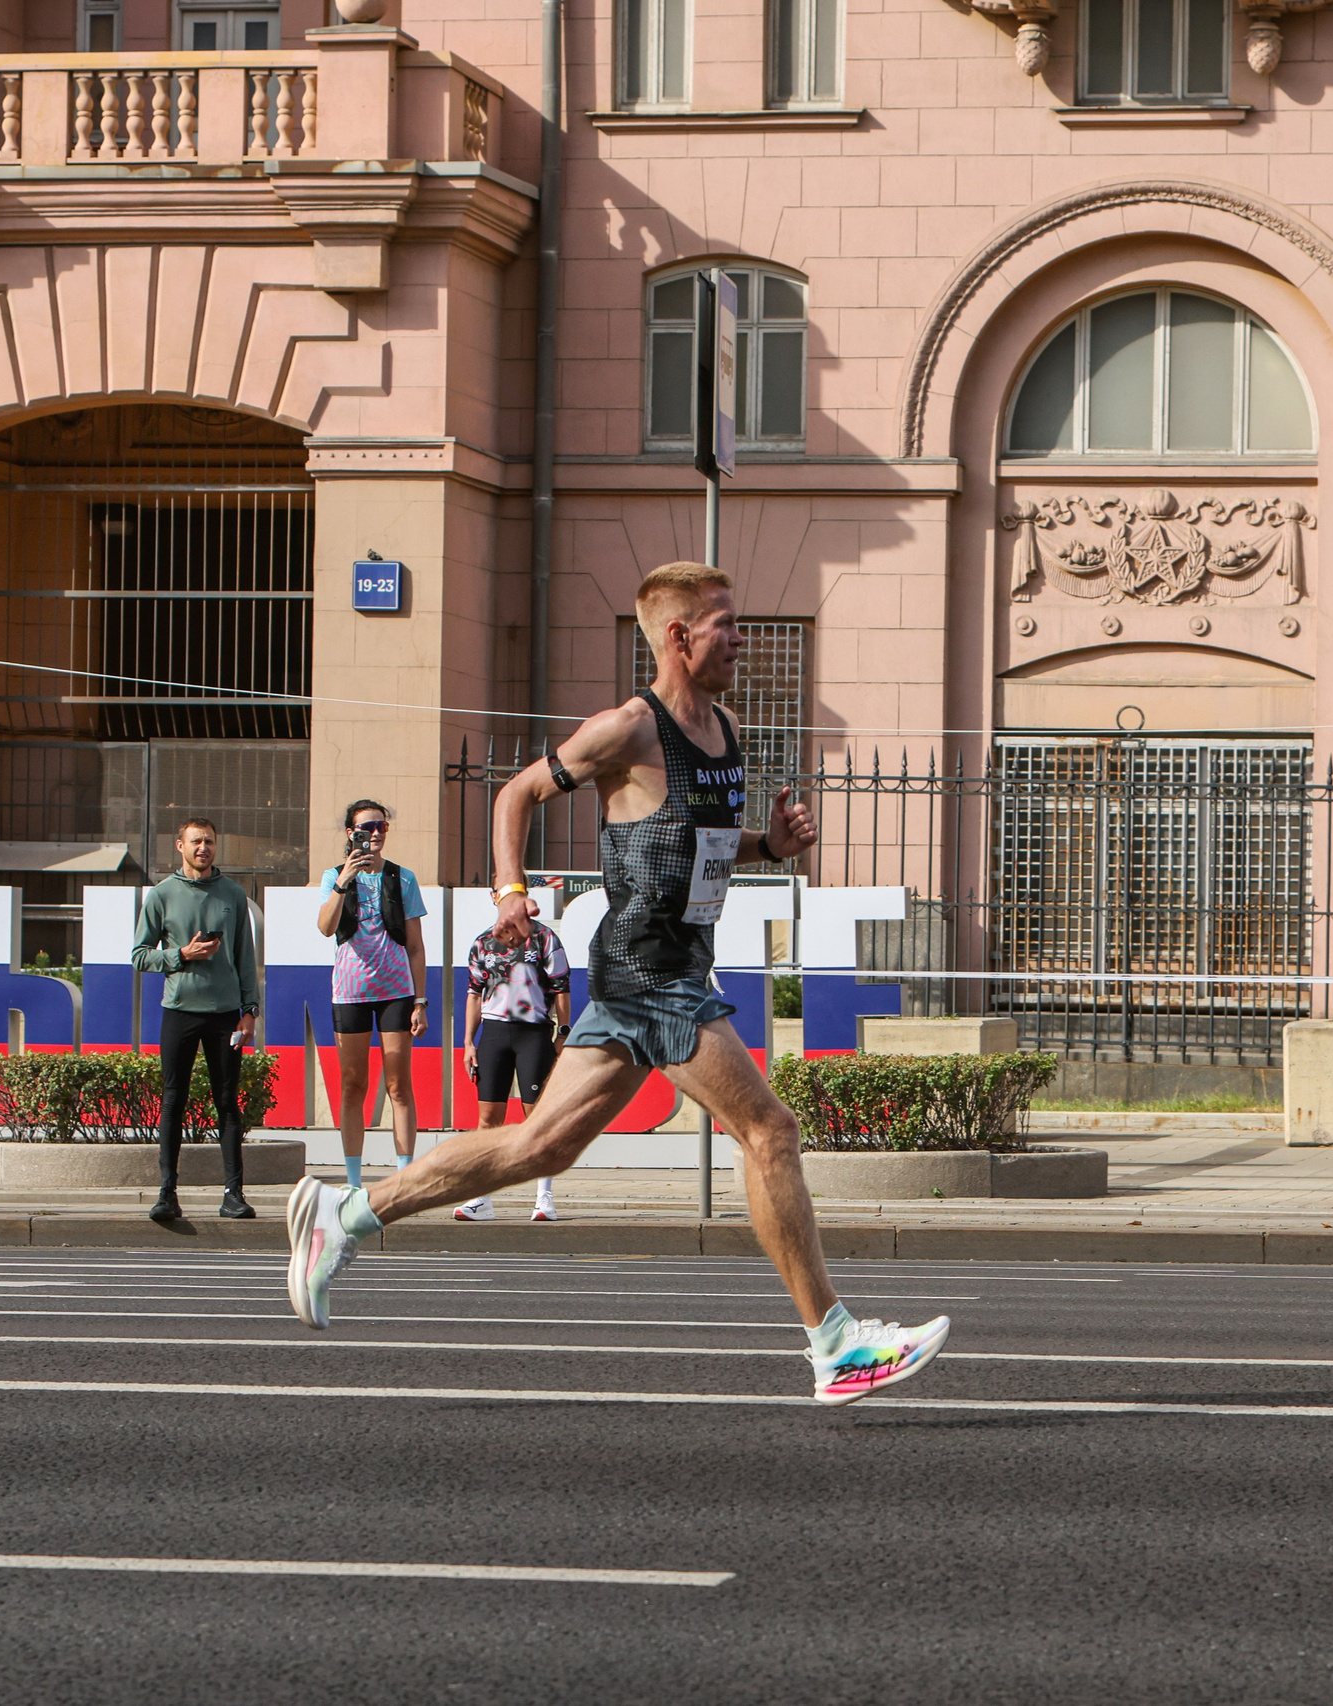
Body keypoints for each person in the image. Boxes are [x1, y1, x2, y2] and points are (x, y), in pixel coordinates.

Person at [287, 563, 951, 1405]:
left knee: (542, 1147)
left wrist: (770, 848)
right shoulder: (628, 729)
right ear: (678, 637)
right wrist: (510, 889)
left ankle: (342, 1219)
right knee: (770, 1130)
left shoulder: (727, 731)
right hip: (654, 975)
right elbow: (517, 794)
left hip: (652, 971)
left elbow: (702, 846)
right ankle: (836, 1343)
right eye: (725, 624)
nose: (742, 639)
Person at [130, 817, 261, 1222]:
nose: (203, 847)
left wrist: (250, 1012)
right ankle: (167, 1193)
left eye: (209, 841)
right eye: (196, 841)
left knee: (227, 1103)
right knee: (173, 1100)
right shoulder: (162, 894)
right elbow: (139, 956)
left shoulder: (233, 895)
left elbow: (245, 956)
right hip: (179, 1011)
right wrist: (180, 956)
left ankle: (233, 1194)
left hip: (225, 1017)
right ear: (179, 846)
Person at [313, 800, 429, 1188]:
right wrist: (344, 881)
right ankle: (353, 1181)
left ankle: (403, 1177)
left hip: (396, 991)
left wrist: (420, 1000)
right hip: (349, 992)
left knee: (399, 1084)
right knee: (352, 1084)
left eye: (381, 826)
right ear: (351, 834)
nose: (376, 833)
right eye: (367, 827)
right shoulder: (334, 876)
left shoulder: (402, 877)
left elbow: (415, 946)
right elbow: (326, 928)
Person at [452, 919, 571, 1223]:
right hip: (493, 1033)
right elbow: (474, 992)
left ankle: (544, 1198)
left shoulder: (544, 938)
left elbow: (561, 987)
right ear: (495, 896)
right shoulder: (482, 942)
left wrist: (563, 1034)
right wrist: (468, 1042)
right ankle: (481, 1199)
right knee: (488, 1120)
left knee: (539, 1119)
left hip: (533, 1033)